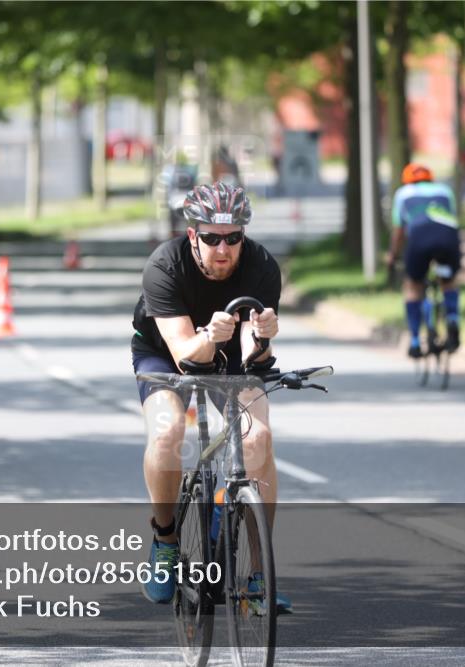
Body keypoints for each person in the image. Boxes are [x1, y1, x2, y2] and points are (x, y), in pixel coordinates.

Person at [131, 181, 289, 610]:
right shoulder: (164, 266)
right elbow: (185, 354)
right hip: (167, 353)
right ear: (193, 236)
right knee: (167, 434)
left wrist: (263, 338)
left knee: (258, 438)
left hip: (227, 356)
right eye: (212, 238)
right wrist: (207, 337)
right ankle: (165, 542)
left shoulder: (260, 265)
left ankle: (259, 574)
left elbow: (252, 355)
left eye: (233, 237)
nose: (224, 249)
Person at [385, 163, 462, 358]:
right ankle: (452, 318)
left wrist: (393, 255)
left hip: (419, 238)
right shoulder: (445, 190)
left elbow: (399, 231)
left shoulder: (403, 193)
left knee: (413, 286)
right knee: (449, 281)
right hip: (447, 237)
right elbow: (452, 218)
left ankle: (415, 341)